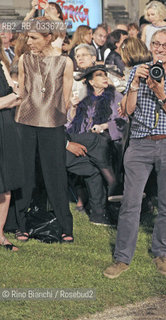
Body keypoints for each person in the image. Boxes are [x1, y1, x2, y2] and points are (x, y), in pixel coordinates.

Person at [103, 29, 166, 279]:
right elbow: (129, 111)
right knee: (130, 202)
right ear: (151, 46)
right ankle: (122, 258)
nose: (161, 49)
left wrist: (160, 92)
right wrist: (135, 85)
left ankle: (161, 253)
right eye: (156, 44)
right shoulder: (137, 71)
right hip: (140, 144)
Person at [15, 17, 74, 242]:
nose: (28, 42)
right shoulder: (23, 59)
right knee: (26, 176)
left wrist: (54, 115)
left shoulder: (65, 62)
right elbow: (21, 91)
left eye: (34, 38)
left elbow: (66, 99)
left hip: (52, 123)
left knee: (56, 175)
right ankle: (21, 225)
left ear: (48, 37)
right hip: (26, 122)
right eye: (28, 37)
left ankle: (65, 226)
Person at [65, 65, 126, 226]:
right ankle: (113, 184)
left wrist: (104, 126)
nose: (105, 77)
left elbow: (123, 121)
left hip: (108, 143)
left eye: (105, 75)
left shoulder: (116, 96)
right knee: (92, 150)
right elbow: (71, 126)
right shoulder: (85, 100)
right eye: (100, 75)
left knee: (96, 151)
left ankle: (98, 214)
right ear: (91, 81)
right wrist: (73, 107)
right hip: (86, 144)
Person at [0, 42, 23, 251]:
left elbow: (13, 98)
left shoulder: (2, 65)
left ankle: (0, 235)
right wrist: (12, 97)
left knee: (5, 185)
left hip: (6, 127)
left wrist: (18, 93)